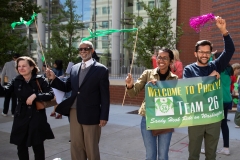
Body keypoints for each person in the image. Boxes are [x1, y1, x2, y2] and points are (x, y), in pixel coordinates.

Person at [46, 40, 110, 160]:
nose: (83, 51)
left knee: (91, 147)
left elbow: (105, 95)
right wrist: (54, 78)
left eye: (86, 48)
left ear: (92, 50)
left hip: (92, 114)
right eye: (81, 49)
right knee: (76, 145)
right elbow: (66, 87)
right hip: (74, 111)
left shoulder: (101, 69)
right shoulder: (74, 68)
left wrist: (104, 116)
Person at [183, 17, 235, 160]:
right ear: (196, 53)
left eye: (207, 52)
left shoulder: (216, 65)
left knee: (211, 155)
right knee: (193, 154)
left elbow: (230, 50)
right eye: (201, 52)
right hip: (196, 119)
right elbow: (189, 91)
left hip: (214, 118)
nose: (204, 55)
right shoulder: (189, 69)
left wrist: (223, 30)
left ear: (211, 54)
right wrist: (209, 79)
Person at [125, 48, 177, 160]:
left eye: (165, 58)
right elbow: (133, 93)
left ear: (170, 61)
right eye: (159, 57)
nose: (161, 60)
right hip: (148, 118)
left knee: (163, 156)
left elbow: (176, 100)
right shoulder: (147, 74)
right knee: (150, 156)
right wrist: (130, 85)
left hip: (166, 120)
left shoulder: (174, 79)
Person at [0, 56, 55, 160]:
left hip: (37, 116)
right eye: (19, 66)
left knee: (37, 146)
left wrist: (36, 95)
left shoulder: (40, 79)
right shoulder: (16, 80)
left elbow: (51, 94)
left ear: (31, 67)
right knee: (21, 146)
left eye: (24, 66)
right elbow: (4, 91)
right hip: (21, 116)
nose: (21, 68)